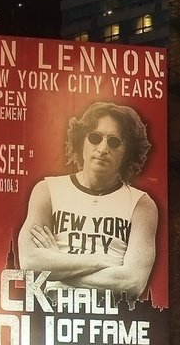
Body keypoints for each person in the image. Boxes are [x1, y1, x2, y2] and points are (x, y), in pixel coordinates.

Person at [17, 101, 158, 303]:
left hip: (112, 322)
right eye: (94, 137)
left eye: (114, 141)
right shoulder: (47, 190)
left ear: (127, 152)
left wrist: (58, 262)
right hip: (52, 317)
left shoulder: (142, 205)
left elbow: (132, 282)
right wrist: (104, 261)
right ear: (81, 141)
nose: (102, 148)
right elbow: (30, 263)